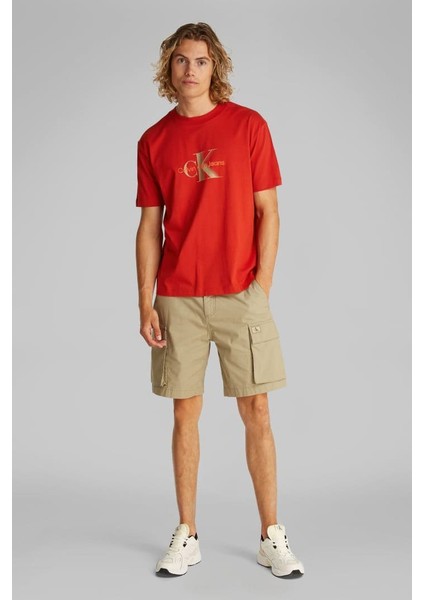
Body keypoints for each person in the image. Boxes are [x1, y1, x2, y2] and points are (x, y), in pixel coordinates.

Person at [135, 22, 304, 579]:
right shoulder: (154, 141)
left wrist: (262, 287)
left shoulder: (248, 126)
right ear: (169, 67)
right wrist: (145, 299)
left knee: (257, 410)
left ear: (216, 68)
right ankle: (187, 533)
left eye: (201, 61)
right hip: (178, 297)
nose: (191, 70)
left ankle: (271, 535)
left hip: (241, 294)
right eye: (182, 60)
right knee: (185, 412)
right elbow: (150, 226)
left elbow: (269, 211)